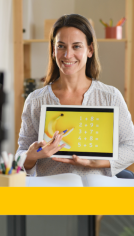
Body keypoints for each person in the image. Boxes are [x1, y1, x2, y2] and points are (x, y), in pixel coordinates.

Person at [16, 14, 134, 177]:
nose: (67, 55)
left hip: (96, 191)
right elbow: (20, 154)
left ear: (90, 50)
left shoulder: (110, 96)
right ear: (53, 50)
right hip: (51, 192)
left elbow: (131, 146)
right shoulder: (36, 100)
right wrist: (31, 156)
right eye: (61, 46)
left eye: (76, 46)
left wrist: (96, 162)